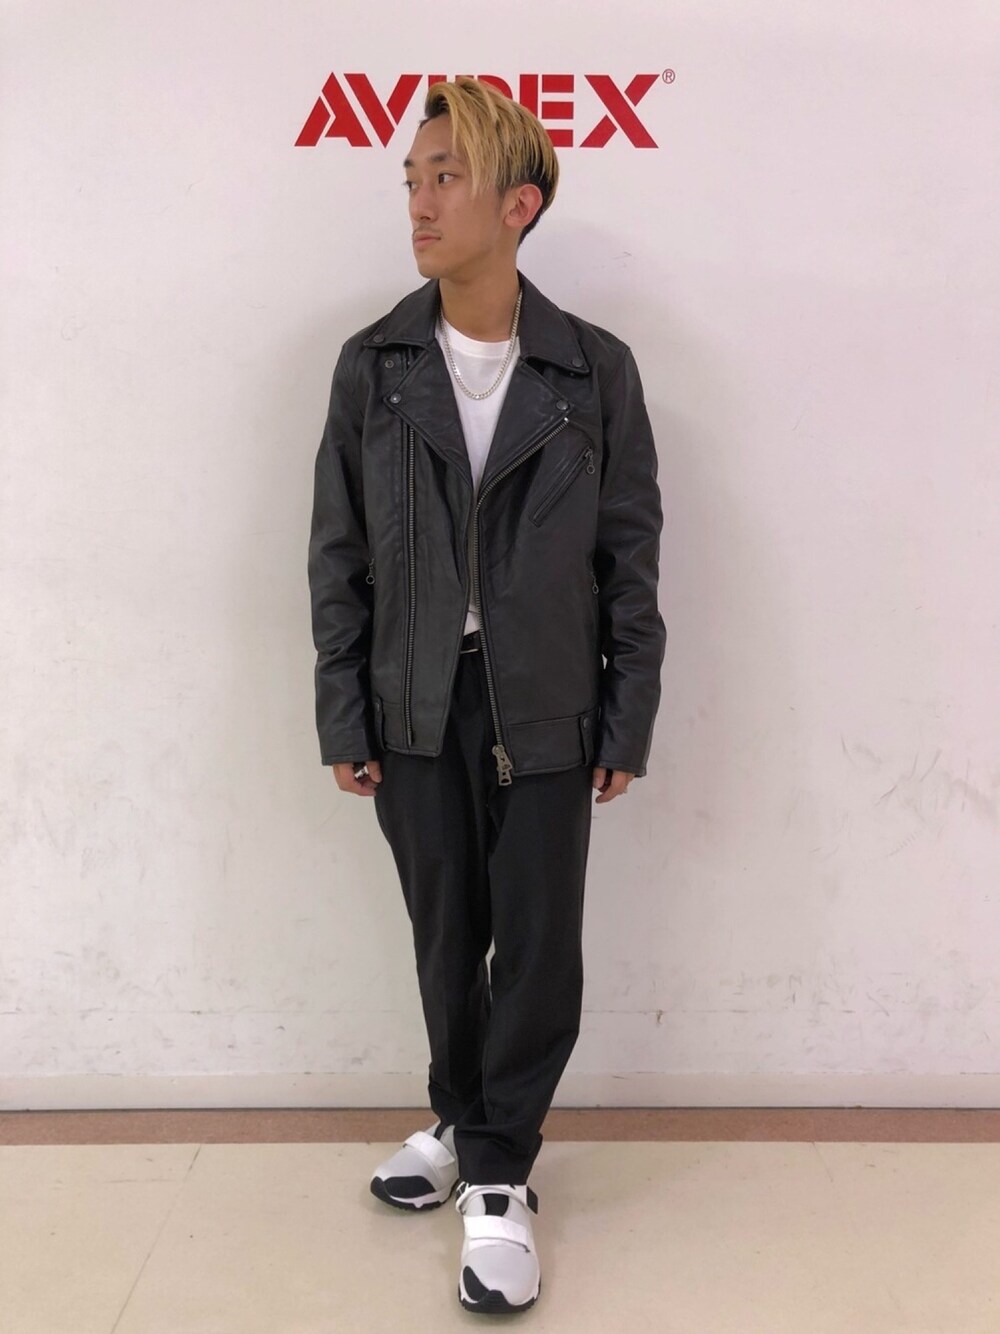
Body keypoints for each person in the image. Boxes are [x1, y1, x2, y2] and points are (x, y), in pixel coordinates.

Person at [307, 75, 665, 1316]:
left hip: (548, 701)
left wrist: (627, 713)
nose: (418, 201)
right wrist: (344, 709)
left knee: (537, 945)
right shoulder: (374, 365)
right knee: (445, 932)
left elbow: (628, 556)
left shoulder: (591, 370)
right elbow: (338, 554)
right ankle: (462, 1117)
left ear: (519, 203)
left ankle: (501, 1172)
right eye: (411, 178)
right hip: (412, 699)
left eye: (446, 177)